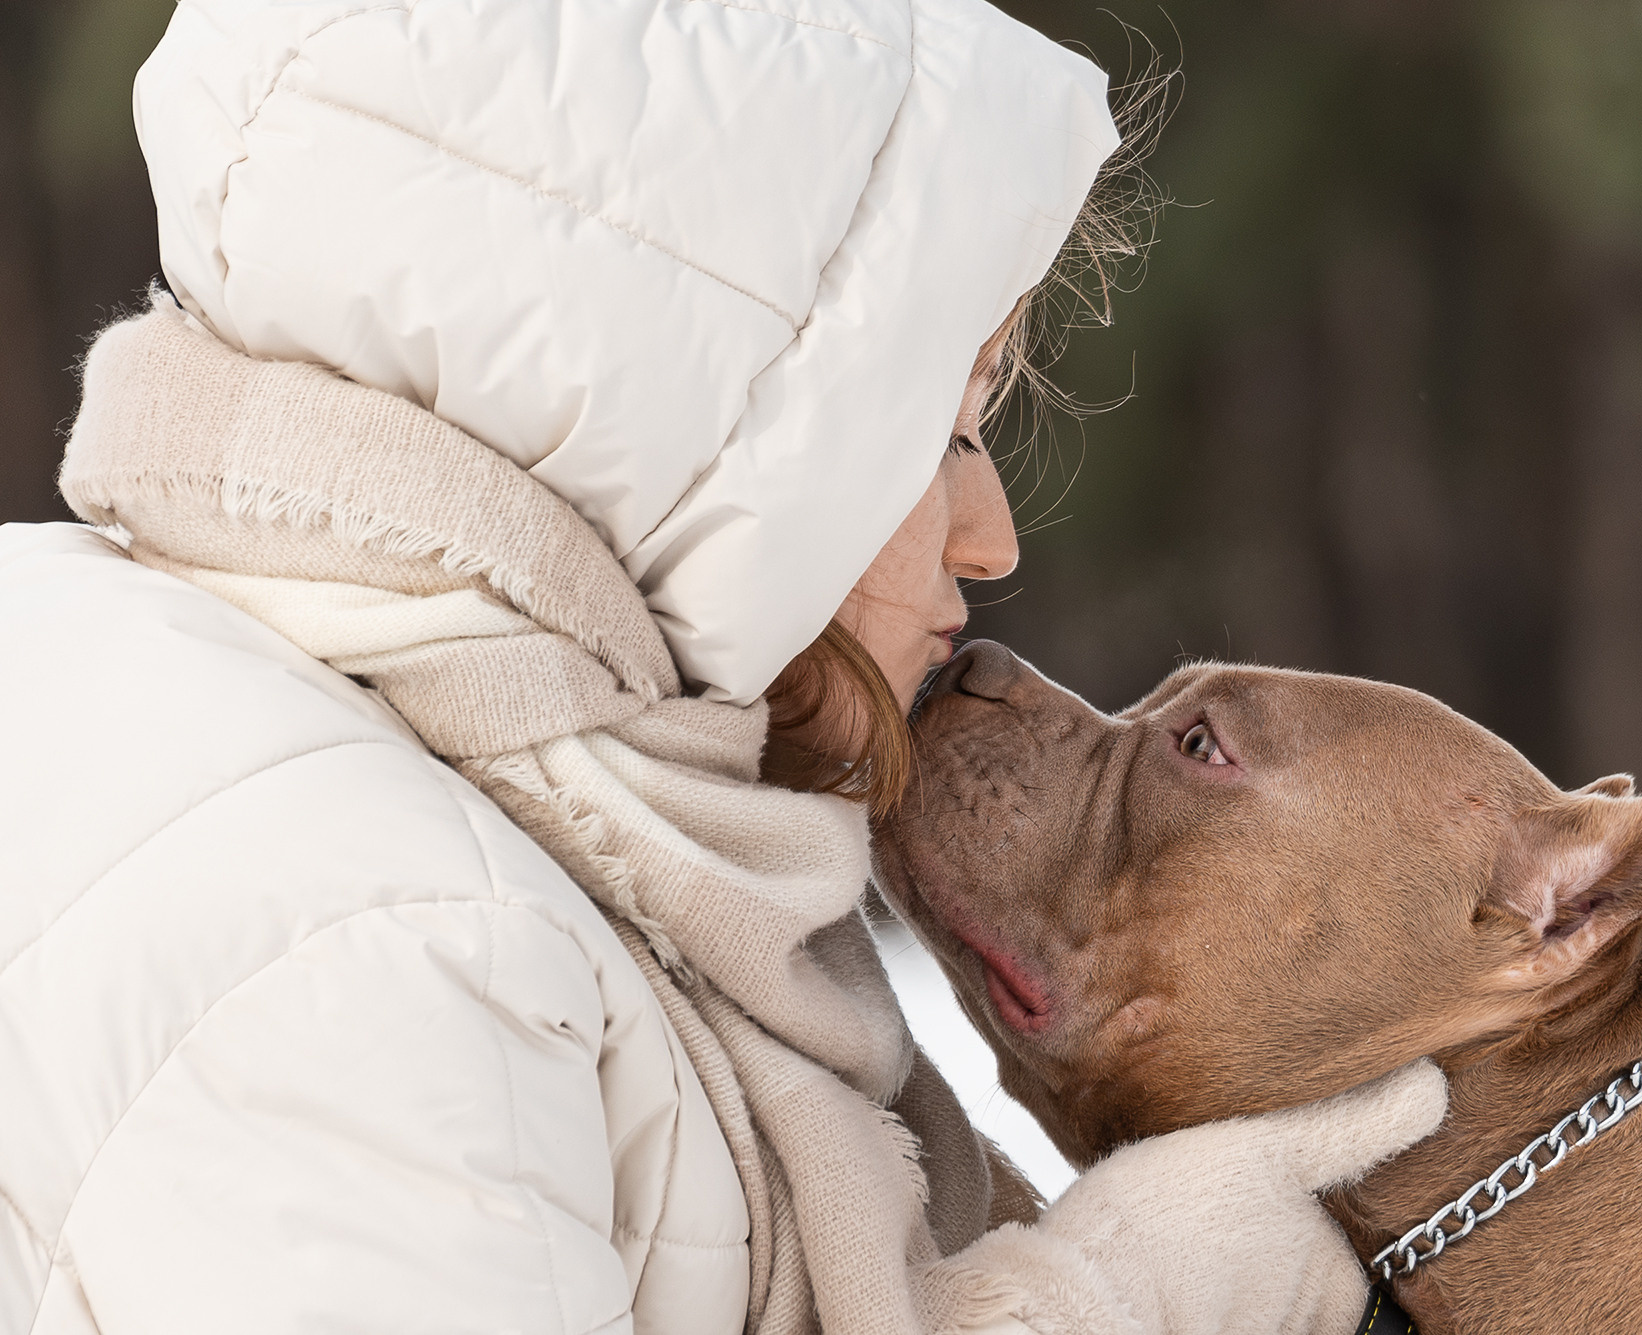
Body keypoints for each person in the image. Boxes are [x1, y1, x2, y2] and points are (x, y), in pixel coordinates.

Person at [0, 1, 1445, 1331]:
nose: (991, 535)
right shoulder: (375, 955)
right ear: (693, 442)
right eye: (935, 431)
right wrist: (1117, 1300)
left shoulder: (275, 769)